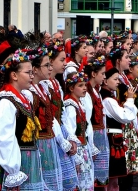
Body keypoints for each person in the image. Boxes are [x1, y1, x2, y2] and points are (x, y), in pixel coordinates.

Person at [0, 49, 45, 190]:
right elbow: (6, 138)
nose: (32, 76)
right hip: (16, 162)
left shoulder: (24, 97)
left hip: (29, 159)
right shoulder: (5, 101)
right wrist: (13, 170)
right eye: (28, 73)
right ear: (14, 75)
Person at [26, 44, 63, 190]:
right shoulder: (29, 92)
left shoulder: (43, 87)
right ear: (35, 69)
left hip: (49, 141)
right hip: (39, 144)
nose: (50, 68)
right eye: (46, 65)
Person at [44, 42, 80, 190]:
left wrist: (70, 137)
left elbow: (61, 114)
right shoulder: (45, 84)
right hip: (54, 134)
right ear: (51, 62)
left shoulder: (56, 83)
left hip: (61, 131)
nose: (65, 63)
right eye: (62, 60)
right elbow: (50, 116)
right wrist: (62, 140)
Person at [99, 67, 137, 190]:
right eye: (115, 79)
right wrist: (130, 99)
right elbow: (125, 116)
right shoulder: (108, 100)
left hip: (115, 140)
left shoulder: (110, 97)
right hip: (112, 142)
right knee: (111, 179)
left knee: (114, 180)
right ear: (105, 81)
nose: (117, 82)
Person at [62, 72, 94, 190]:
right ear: (71, 88)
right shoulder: (70, 105)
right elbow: (70, 130)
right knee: (80, 181)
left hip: (83, 147)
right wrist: (76, 157)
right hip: (77, 149)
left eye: (85, 85)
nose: (85, 88)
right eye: (80, 85)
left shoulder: (78, 103)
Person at [83, 55, 109, 188]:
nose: (104, 77)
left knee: (100, 174)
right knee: (93, 175)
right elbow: (87, 119)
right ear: (93, 74)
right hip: (93, 136)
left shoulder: (95, 91)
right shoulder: (86, 92)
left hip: (99, 134)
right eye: (102, 73)